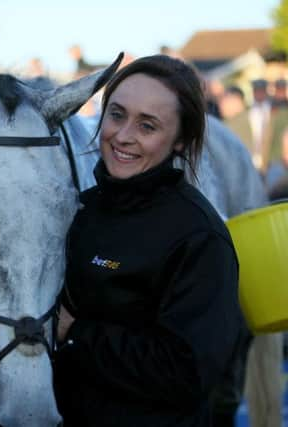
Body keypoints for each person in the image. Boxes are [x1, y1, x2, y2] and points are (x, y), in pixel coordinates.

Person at [54, 55, 246, 427]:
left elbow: (188, 371)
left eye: (148, 125)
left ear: (180, 142)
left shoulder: (199, 236)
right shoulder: (82, 211)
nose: (123, 136)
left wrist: (75, 333)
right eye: (117, 115)